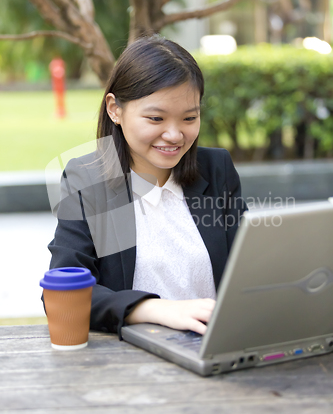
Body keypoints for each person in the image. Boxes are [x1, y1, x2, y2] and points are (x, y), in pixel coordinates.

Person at [48, 35, 247, 339]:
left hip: (217, 347)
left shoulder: (216, 169)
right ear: (115, 109)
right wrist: (157, 309)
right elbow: (64, 292)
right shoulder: (88, 179)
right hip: (134, 362)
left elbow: (250, 267)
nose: (174, 135)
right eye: (156, 118)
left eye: (189, 118)